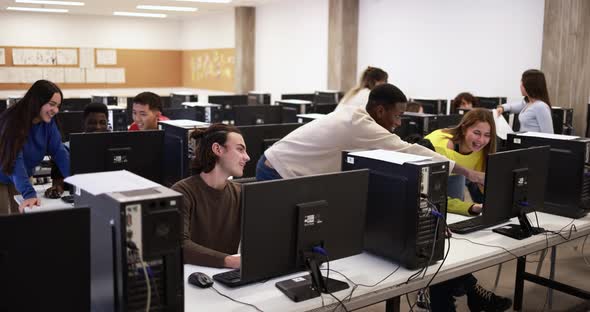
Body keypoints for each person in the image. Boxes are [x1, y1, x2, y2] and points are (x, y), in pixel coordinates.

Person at [256, 83, 484, 185]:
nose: (398, 122)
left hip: (281, 165)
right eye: (396, 116)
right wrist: (469, 174)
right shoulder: (362, 127)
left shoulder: (356, 114)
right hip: (276, 170)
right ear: (380, 110)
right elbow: (411, 151)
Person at [424, 108, 511, 311]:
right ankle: (474, 293)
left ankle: (471, 294)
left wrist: (483, 205)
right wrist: (469, 206)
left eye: (488, 135)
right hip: (428, 193)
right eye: (477, 133)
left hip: (450, 192)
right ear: (464, 129)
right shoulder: (438, 146)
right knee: (446, 251)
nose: (481, 140)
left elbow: (485, 189)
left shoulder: (482, 150)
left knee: (452, 249)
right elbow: (431, 199)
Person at [172, 124, 250, 268]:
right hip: (191, 276)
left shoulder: (240, 193)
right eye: (240, 149)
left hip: (223, 276)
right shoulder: (182, 192)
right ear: (217, 149)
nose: (247, 157)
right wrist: (230, 261)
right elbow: (179, 244)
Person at [0, 80, 69, 214]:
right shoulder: (13, 121)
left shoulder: (47, 123)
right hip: (2, 174)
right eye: (52, 104)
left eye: (58, 106)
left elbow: (59, 152)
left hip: (23, 176)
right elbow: (14, 161)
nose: (56, 110)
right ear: (37, 102)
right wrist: (29, 194)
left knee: (23, 219)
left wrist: (77, 183)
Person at [45, 102, 109, 198]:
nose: (98, 127)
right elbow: (57, 184)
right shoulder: (65, 149)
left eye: (102, 123)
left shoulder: (115, 147)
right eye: (92, 122)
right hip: (77, 199)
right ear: (84, 122)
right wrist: (57, 188)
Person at [496, 69, 553, 133]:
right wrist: (502, 108)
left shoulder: (541, 107)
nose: (520, 86)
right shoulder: (528, 103)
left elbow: (549, 134)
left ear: (529, 86)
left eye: (522, 83)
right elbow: (512, 107)